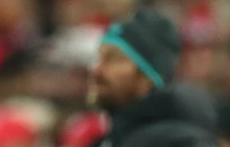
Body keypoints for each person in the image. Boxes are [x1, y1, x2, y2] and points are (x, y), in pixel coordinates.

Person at [88, 8, 219, 146]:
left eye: (113, 59)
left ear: (147, 75)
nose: (96, 69)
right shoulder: (108, 140)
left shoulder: (180, 142)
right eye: (99, 57)